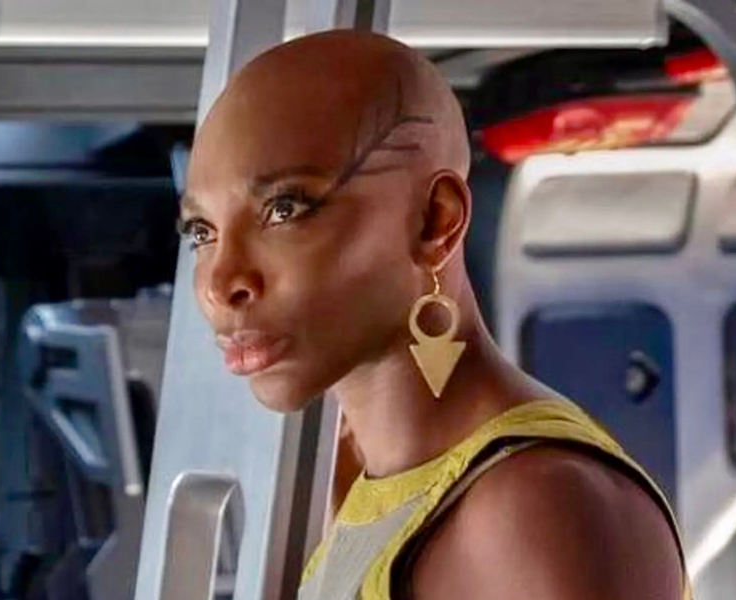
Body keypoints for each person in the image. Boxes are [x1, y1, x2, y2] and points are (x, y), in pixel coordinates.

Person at [180, 29, 690, 600]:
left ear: (435, 220)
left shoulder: (530, 507)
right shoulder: (367, 481)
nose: (220, 284)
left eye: (284, 209)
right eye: (201, 232)